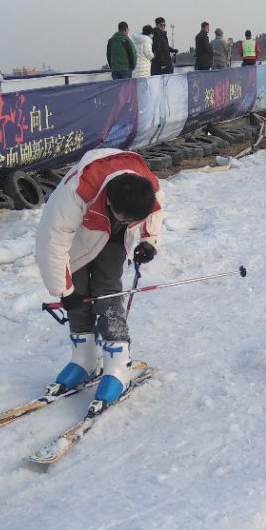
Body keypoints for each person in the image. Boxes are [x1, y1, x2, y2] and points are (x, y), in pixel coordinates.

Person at [34, 149, 163, 410]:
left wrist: (149, 241)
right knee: (78, 292)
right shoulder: (77, 192)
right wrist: (64, 290)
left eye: (133, 220)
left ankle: (117, 364)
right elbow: (52, 243)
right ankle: (84, 358)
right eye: (126, 218)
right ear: (110, 202)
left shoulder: (146, 184)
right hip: (77, 237)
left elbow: (156, 207)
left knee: (106, 291)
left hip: (112, 236)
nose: (130, 222)